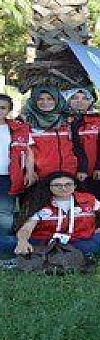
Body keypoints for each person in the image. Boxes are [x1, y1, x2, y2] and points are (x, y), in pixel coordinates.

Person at [0, 172, 100, 256]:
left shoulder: (88, 199)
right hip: (43, 241)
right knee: (6, 242)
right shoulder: (40, 202)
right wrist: (23, 241)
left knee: (96, 243)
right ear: (49, 186)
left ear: (75, 186)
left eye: (68, 184)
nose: (63, 188)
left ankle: (51, 253)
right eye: (57, 185)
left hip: (79, 240)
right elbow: (27, 228)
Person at [65, 87, 100, 204]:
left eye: (84, 98)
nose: (80, 101)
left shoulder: (98, 120)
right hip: (71, 169)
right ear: (67, 100)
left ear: (90, 101)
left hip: (96, 169)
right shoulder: (61, 121)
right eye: (75, 98)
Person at [22, 86, 78, 180]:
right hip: (38, 177)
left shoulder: (68, 120)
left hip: (68, 175)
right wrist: (30, 172)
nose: (45, 102)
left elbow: (78, 147)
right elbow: (22, 151)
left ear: (57, 100)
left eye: (50, 99)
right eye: (40, 99)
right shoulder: (25, 121)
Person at [0, 94, 36, 236]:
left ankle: (4, 244)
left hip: (8, 177)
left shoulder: (20, 128)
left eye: (3, 108)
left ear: (9, 110)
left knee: (5, 212)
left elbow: (29, 152)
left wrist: (30, 172)